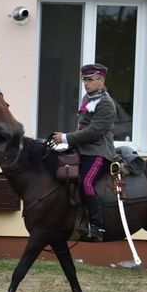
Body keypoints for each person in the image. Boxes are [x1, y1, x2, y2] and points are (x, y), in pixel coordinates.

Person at [52, 62, 117, 242]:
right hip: (83, 149)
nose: (86, 84)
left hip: (99, 151)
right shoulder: (87, 99)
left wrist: (66, 138)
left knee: (86, 182)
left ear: (101, 81)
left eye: (90, 80)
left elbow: (94, 131)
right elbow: (82, 126)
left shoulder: (106, 104)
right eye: (84, 80)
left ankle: (98, 226)